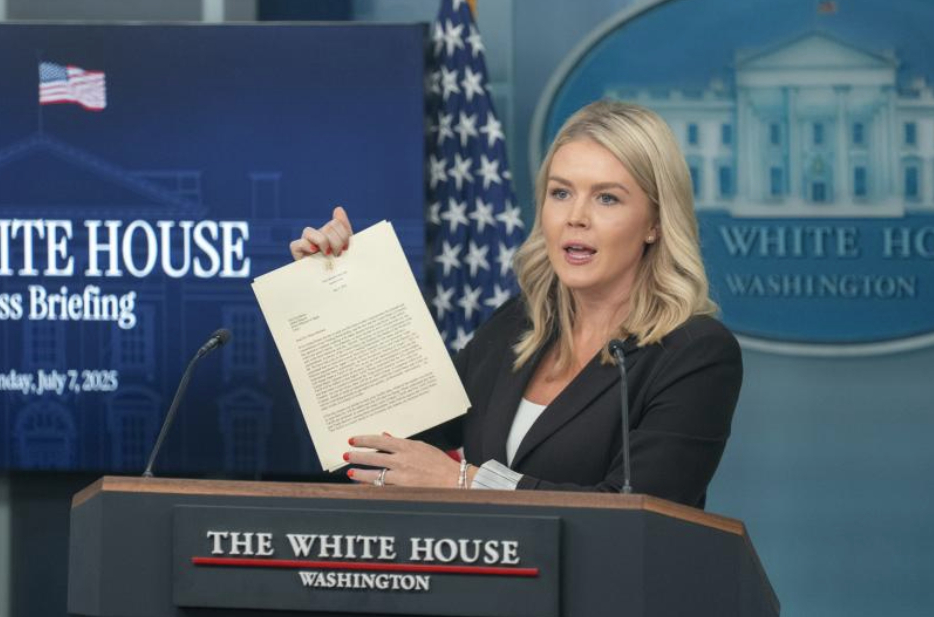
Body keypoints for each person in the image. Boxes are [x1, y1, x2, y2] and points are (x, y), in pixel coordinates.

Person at [288, 100, 742, 509]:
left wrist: (465, 482)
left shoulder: (694, 352)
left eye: (607, 198)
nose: (575, 217)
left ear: (655, 225)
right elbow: (389, 443)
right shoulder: (515, 328)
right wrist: (336, 290)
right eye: (561, 193)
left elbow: (643, 510)